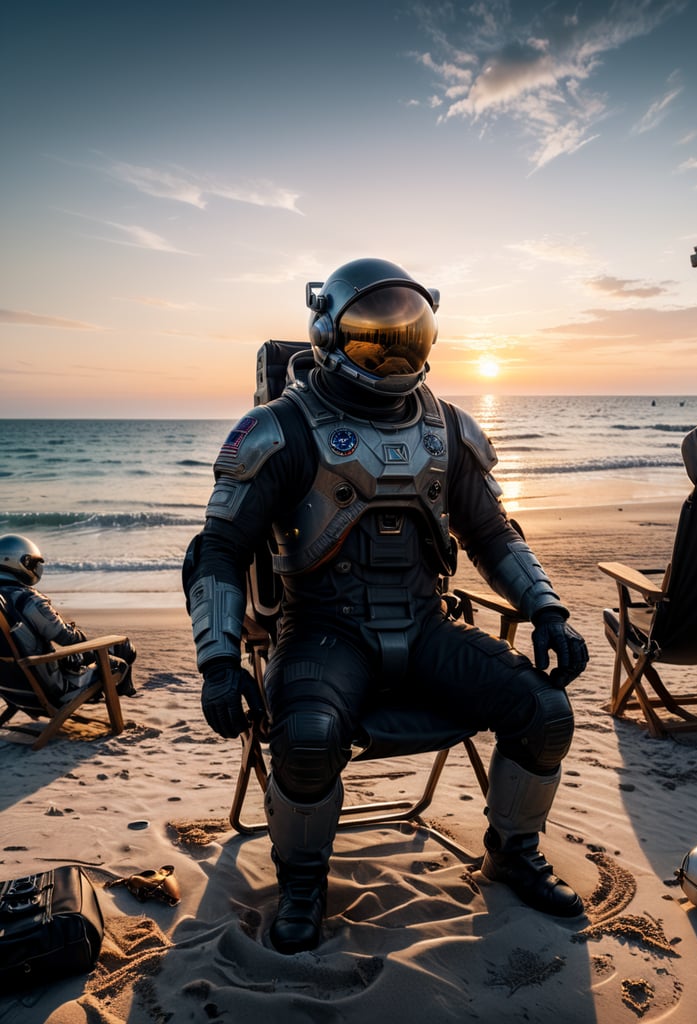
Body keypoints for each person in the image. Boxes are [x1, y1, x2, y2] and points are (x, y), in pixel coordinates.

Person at [183, 258, 589, 955]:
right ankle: (303, 883)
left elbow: (493, 534)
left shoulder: (447, 429)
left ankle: (513, 852)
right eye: (375, 340)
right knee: (305, 739)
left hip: (427, 627)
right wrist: (218, 662)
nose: (393, 355)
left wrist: (547, 611)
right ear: (328, 334)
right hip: (322, 632)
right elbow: (218, 549)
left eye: (407, 338)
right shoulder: (280, 428)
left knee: (546, 714)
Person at [0, 534, 137, 702]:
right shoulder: (27, 600)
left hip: (11, 690)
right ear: (23, 562)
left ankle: (114, 691)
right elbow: (68, 639)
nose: (36, 568)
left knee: (86, 655)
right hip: (55, 689)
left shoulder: (3, 602)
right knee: (123, 650)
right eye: (35, 563)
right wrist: (79, 636)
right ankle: (124, 694)